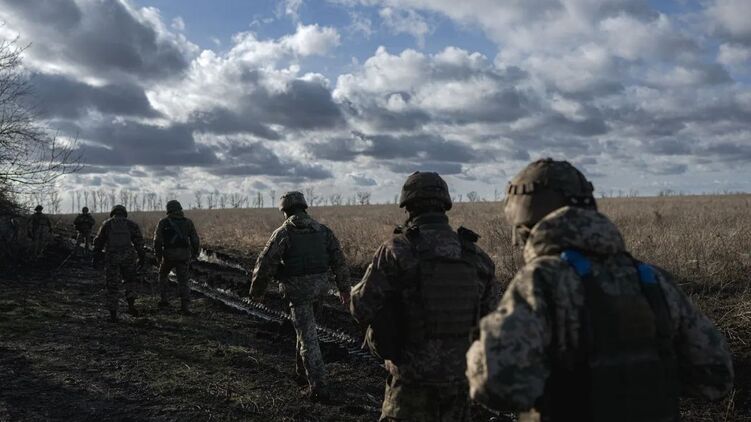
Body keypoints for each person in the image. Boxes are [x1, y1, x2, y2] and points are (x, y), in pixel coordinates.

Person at [466, 158, 734, 421]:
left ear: (524, 219)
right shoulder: (651, 278)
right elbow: (715, 375)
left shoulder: (541, 280)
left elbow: (497, 383)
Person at [351, 172, 501, 422]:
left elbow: (361, 307)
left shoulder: (396, 249)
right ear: (445, 205)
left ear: (408, 207)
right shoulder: (476, 257)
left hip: (411, 383)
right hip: (461, 384)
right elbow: (494, 323)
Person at [250, 191, 350, 400]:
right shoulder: (323, 231)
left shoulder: (282, 233)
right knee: (305, 330)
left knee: (308, 339)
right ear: (304, 208)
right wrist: (344, 289)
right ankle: (300, 373)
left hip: (297, 292)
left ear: (285, 211)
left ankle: (319, 386)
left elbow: (265, 264)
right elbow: (339, 261)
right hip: (320, 290)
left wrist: (257, 292)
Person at [92, 205, 145, 322]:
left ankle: (113, 314)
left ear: (113, 212)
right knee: (130, 281)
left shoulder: (107, 224)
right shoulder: (131, 224)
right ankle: (131, 306)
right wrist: (142, 257)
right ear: (124, 213)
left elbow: (98, 242)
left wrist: (95, 257)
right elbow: (139, 243)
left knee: (112, 285)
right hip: (129, 257)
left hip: (112, 257)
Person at [153, 200, 200, 315]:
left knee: (163, 275)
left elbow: (157, 241)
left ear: (168, 210)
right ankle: (185, 307)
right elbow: (195, 240)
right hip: (184, 256)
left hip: (168, 255)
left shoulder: (163, 222)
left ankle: (164, 300)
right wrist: (194, 254)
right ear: (180, 209)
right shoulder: (188, 222)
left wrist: (159, 257)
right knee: (183, 281)